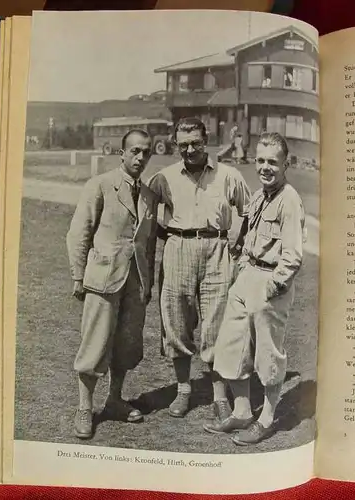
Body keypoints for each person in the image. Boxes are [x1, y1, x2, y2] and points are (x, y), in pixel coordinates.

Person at [148, 117, 251, 423]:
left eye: (195, 143)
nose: (189, 149)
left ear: (207, 141)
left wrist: (237, 246)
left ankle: (219, 396)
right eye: (183, 144)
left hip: (217, 250)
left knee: (216, 324)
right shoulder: (163, 178)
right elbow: (146, 214)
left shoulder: (228, 175)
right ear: (175, 144)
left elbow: (248, 212)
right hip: (178, 248)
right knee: (176, 321)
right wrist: (167, 237)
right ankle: (183, 389)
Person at [204, 132, 305, 445]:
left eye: (273, 162)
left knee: (267, 354)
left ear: (286, 163)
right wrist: (243, 271)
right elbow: (246, 237)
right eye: (260, 160)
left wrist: (272, 287)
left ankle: (267, 418)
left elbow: (293, 256)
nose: (265, 167)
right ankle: (243, 410)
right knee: (232, 346)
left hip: (270, 282)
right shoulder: (260, 196)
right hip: (248, 276)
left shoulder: (289, 200)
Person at [66, 129, 158, 439]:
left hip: (136, 282)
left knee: (127, 345)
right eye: (134, 151)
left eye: (146, 152)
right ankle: (83, 407)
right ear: (122, 153)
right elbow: (79, 232)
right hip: (103, 279)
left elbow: (149, 243)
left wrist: (149, 283)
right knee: (95, 344)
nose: (140, 157)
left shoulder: (148, 196)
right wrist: (78, 276)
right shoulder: (101, 185)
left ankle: (115, 400)